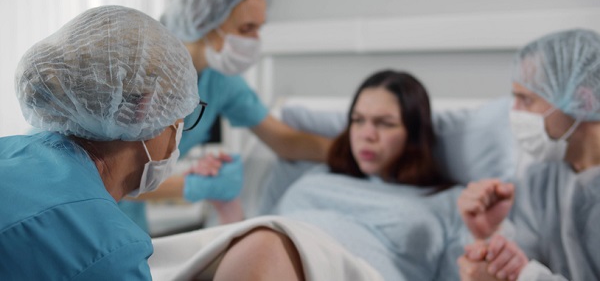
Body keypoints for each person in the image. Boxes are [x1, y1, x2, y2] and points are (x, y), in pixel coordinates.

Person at [150, 70, 470, 280]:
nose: (366, 134)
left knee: (266, 245)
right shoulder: (317, 176)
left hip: (336, 267)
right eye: (358, 121)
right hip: (265, 259)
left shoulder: (451, 201)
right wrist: (226, 203)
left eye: (384, 123)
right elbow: (250, 236)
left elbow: (473, 270)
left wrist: (484, 236)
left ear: (415, 132)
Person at [120, 0, 332, 230]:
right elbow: (113, 176)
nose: (256, 40)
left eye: (259, 28)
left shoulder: (218, 80)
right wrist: (196, 185)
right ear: (205, 20)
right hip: (83, 216)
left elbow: (284, 140)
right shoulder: (139, 71)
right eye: (246, 29)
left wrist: (350, 154)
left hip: (129, 224)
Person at [0, 5, 200, 279]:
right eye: (179, 118)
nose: (178, 134)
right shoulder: (109, 253)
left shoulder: (8, 151)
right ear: (145, 110)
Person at [456, 29, 600, 281]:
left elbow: (527, 272)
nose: (515, 112)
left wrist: (525, 277)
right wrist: (490, 236)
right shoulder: (542, 179)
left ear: (585, 101)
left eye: (526, 100)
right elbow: (525, 259)